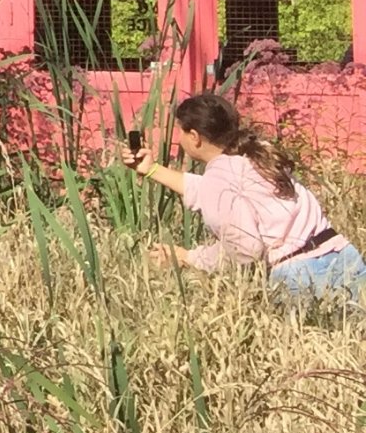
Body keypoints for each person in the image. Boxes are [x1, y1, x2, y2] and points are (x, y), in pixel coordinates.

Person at [136, 91, 366, 310]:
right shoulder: (257, 154)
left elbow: (245, 249)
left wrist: (189, 257)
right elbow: (210, 191)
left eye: (181, 131)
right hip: (344, 257)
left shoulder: (220, 177)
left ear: (194, 137)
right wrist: (151, 169)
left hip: (299, 276)